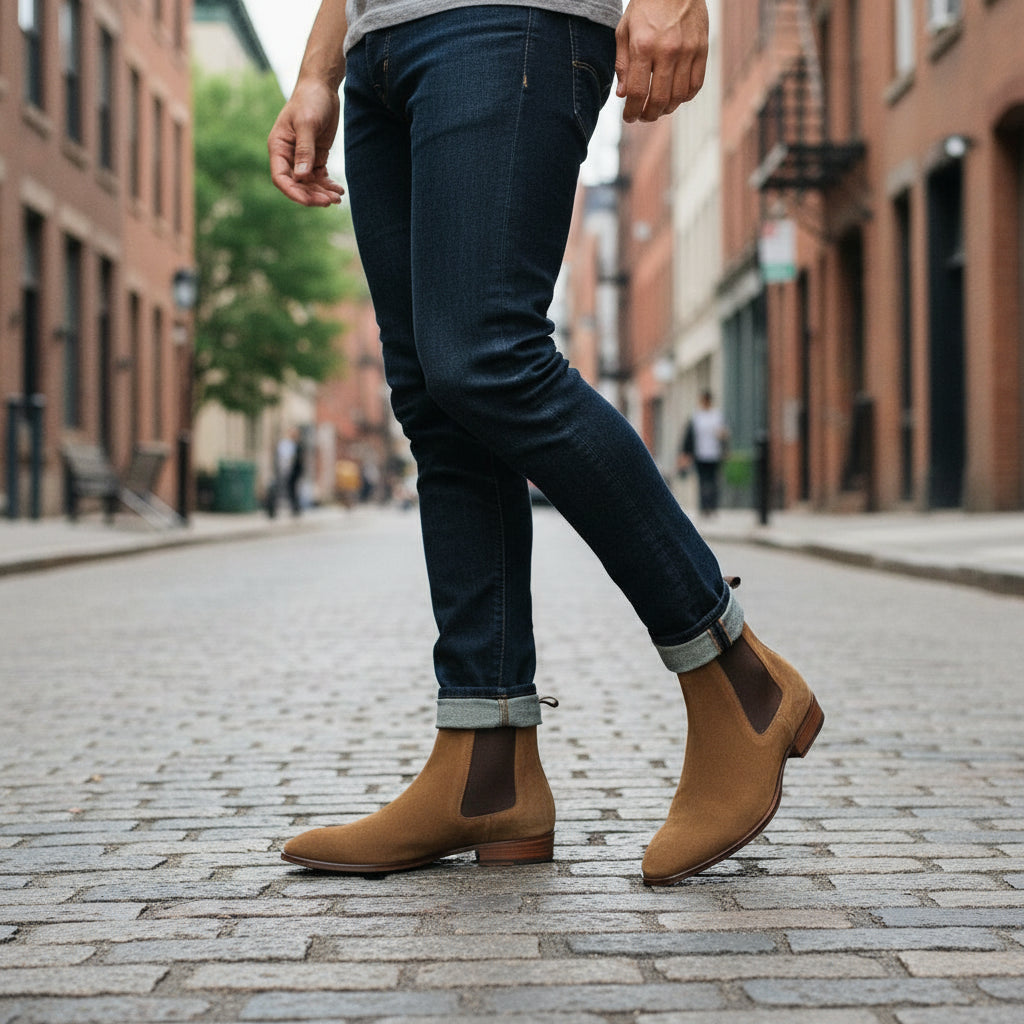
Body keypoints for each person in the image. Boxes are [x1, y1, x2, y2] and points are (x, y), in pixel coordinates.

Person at [268, 0, 823, 885]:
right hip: (380, 46)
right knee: (436, 404)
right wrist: (317, 68)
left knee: (488, 357)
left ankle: (739, 680)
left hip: (506, 21)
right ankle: (485, 773)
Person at [679, 389, 729, 516]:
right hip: (700, 454)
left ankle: (712, 507)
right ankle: (704, 507)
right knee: (702, 481)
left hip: (714, 453)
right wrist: (685, 454)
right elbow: (689, 437)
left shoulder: (717, 416)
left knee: (713, 481)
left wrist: (724, 446)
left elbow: (724, 434)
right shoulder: (696, 417)